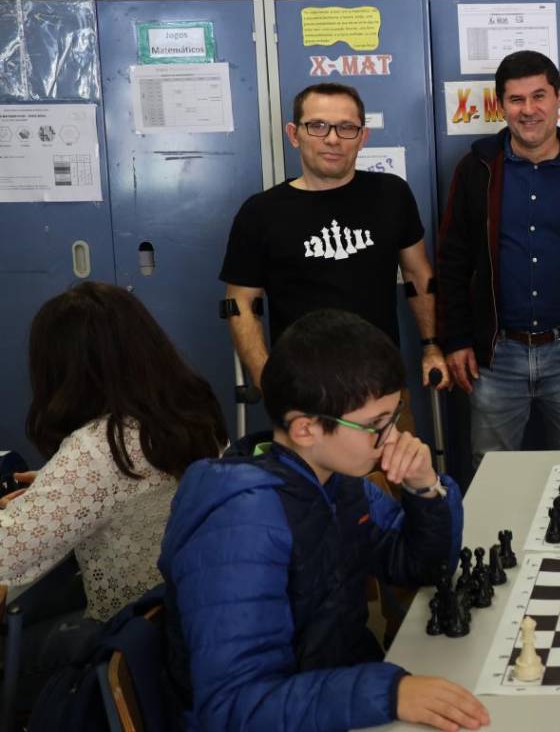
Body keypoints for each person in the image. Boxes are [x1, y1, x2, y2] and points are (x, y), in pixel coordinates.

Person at [159, 310, 487, 731]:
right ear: (305, 430)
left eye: (394, 415)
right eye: (376, 425)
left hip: (335, 695)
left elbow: (421, 567)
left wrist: (425, 489)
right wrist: (386, 693)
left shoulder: (334, 478)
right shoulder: (240, 524)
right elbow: (234, 708)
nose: (394, 437)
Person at [0, 282, 226, 699]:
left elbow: (6, 553)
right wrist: (55, 485)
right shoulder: (189, 413)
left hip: (126, 639)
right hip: (181, 619)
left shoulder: (97, 447)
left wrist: (59, 486)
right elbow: (122, 489)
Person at [438, 50, 560, 466]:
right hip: (495, 358)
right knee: (492, 476)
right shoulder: (476, 169)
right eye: (516, 99)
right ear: (500, 104)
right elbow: (453, 260)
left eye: (539, 96)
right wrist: (456, 339)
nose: (528, 110)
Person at [220, 81, 448, 400]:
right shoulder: (260, 212)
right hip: (304, 389)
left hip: (382, 384)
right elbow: (240, 303)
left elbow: (417, 276)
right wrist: (265, 378)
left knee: (399, 452)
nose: (332, 139)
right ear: (293, 134)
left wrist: (431, 347)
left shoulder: (391, 194)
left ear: (363, 137)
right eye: (317, 126)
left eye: (346, 128)